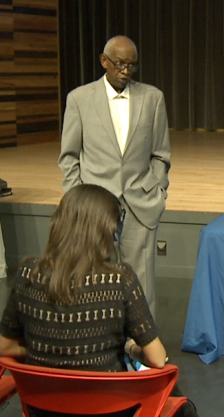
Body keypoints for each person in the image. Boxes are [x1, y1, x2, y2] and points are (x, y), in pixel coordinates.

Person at [0, 184, 197, 417]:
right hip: (111, 411)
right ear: (108, 230)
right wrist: (130, 348)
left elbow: (6, 347)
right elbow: (157, 358)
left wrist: (50, 349)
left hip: (43, 410)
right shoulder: (120, 279)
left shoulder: (27, 274)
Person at [58, 35, 170, 318]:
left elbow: (160, 154)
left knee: (141, 283)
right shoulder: (79, 100)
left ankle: (142, 349)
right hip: (93, 209)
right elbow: (69, 157)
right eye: (120, 64)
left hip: (140, 204)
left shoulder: (152, 98)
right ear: (104, 61)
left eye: (132, 65)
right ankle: (98, 342)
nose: (126, 71)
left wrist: (157, 191)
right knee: (93, 279)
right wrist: (77, 200)